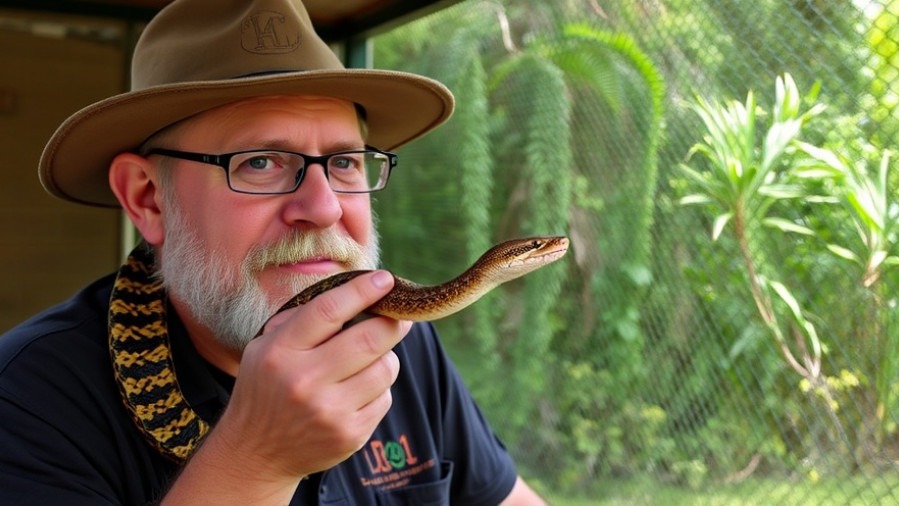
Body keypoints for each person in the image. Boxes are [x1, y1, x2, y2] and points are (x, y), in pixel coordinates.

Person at [0, 0, 547, 504]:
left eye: (344, 163)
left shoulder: (402, 340)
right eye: (260, 162)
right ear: (149, 199)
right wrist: (255, 461)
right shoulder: (26, 402)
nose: (325, 207)